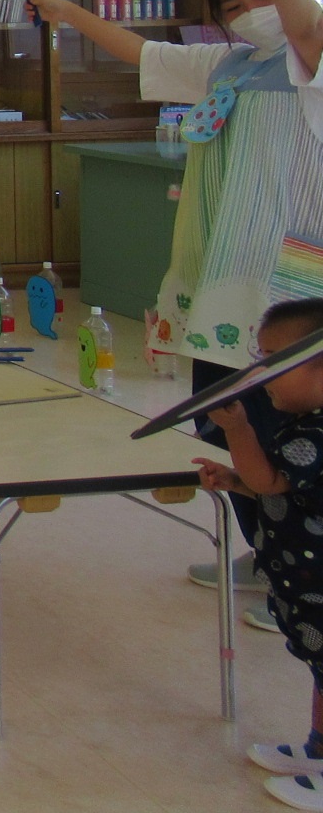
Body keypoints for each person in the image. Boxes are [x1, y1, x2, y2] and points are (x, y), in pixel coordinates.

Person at [29, 0, 323, 620]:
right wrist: (67, 12)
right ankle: (266, 556)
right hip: (218, 283)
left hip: (285, 287)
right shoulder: (226, 66)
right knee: (221, 423)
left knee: (293, 438)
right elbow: (144, 54)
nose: (250, 12)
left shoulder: (309, 63)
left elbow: (308, 29)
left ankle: (303, 567)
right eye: (233, 5)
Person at [193, 298, 323, 810]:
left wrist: (238, 429)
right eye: (260, 357)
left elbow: (271, 479)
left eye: (275, 361)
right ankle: (318, 751)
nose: (261, 373)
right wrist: (237, 481)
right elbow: (287, 491)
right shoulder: (306, 421)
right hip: (306, 587)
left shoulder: (318, 433)